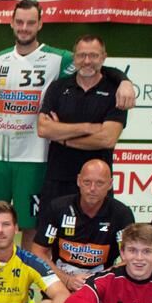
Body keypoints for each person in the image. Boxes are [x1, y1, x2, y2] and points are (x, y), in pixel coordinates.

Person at [0, 1, 134, 248]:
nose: (24, 27)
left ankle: (27, 270)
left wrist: (124, 81)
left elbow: (92, 66)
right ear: (11, 23)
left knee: (32, 225)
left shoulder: (58, 58)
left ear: (40, 24)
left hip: (34, 156)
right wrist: (87, 127)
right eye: (19, 22)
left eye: (30, 22)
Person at [37, 35, 128, 203]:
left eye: (93, 55)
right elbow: (43, 129)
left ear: (103, 57)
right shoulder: (58, 87)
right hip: (58, 180)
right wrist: (88, 128)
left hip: (97, 183)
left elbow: (107, 139)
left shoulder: (116, 92)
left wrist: (62, 138)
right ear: (74, 57)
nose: (87, 61)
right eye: (81, 55)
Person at [31, 160, 135, 293]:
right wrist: (67, 279)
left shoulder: (121, 214)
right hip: (62, 282)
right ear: (78, 181)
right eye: (87, 182)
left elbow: (132, 257)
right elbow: (38, 251)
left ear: (110, 184)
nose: (92, 188)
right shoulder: (58, 208)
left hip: (102, 284)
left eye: (99, 183)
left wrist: (98, 279)